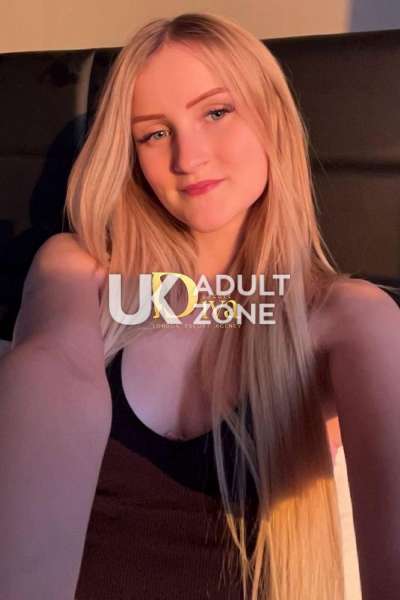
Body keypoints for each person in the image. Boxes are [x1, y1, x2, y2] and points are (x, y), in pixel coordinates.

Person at [1, 11, 399, 600]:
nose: (187, 158)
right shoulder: (79, 271)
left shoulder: (347, 318)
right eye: (154, 134)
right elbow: (49, 370)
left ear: (272, 117)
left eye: (216, 112)